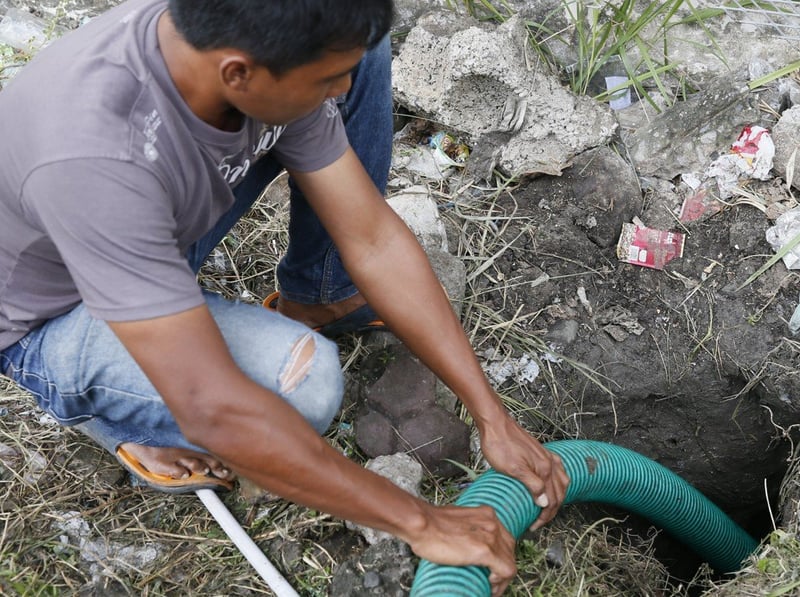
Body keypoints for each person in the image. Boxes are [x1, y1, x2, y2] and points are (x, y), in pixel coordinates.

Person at [0, 0, 568, 592]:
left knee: (361, 53)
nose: (341, 90)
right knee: (306, 386)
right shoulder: (97, 155)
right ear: (238, 73)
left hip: (149, 232)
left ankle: (319, 295)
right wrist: (421, 522)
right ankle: (121, 417)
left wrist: (490, 415)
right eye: (326, 79)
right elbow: (216, 408)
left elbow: (372, 239)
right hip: (50, 314)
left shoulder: (243, 46)